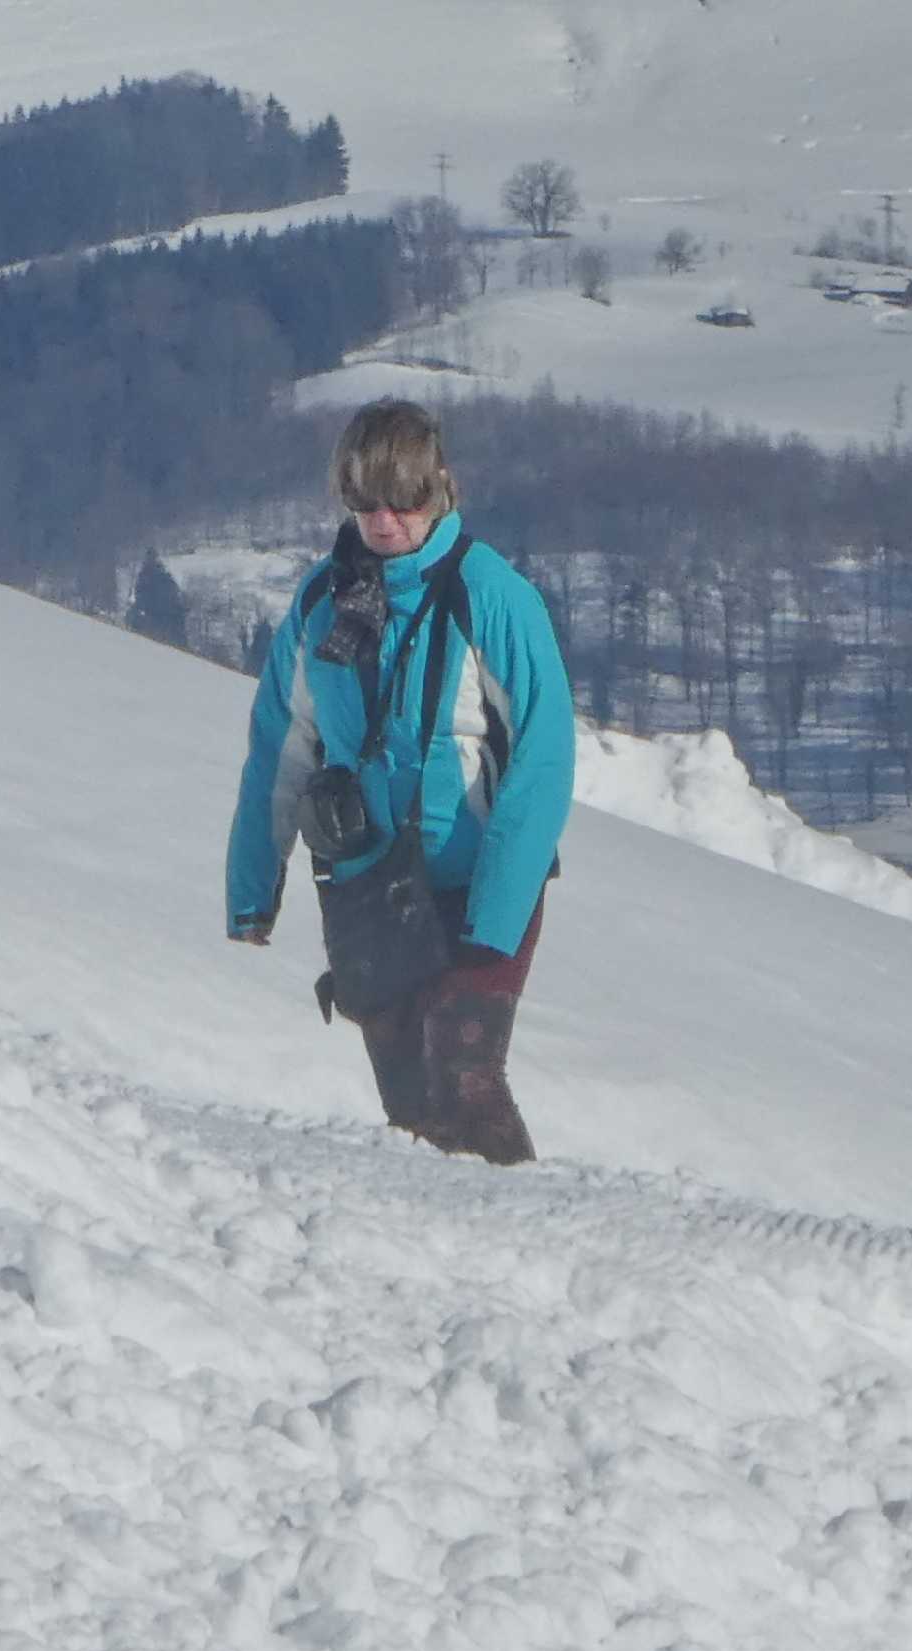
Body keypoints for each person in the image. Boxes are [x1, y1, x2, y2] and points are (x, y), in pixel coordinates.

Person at [225, 399, 574, 1165]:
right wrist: (253, 890)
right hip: (370, 887)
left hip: (476, 882)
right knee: (410, 1100)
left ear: (439, 488)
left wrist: (495, 915)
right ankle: (443, 1233)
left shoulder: (490, 595)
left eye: (405, 499)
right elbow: (279, 748)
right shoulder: (321, 605)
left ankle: (531, 1222)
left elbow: (545, 759)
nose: (385, 521)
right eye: (365, 500)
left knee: (463, 1070)